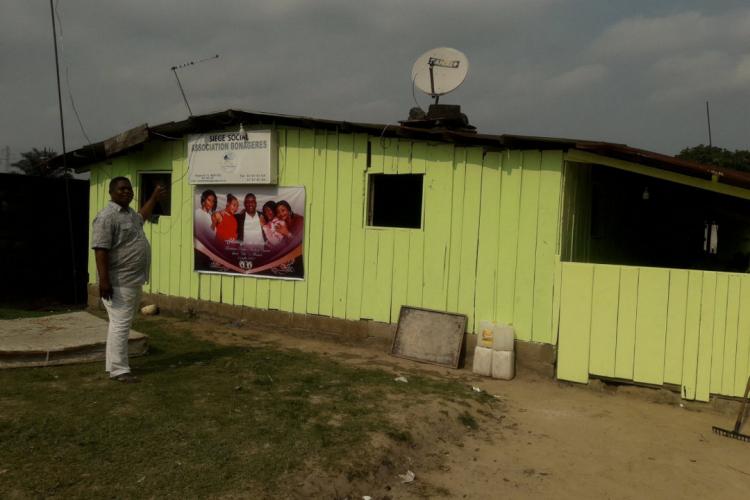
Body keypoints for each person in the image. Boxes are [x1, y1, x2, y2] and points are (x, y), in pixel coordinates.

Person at [92, 176, 165, 383]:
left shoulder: (130, 214)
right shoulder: (106, 217)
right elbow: (100, 250)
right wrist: (104, 281)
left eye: (129, 189)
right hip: (118, 281)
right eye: (122, 189)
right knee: (121, 325)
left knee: (118, 324)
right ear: (111, 192)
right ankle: (119, 370)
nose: (127, 192)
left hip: (132, 279)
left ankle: (113, 366)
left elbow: (142, 216)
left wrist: (154, 197)